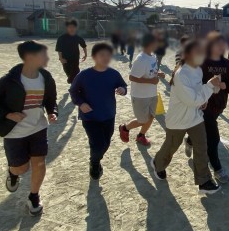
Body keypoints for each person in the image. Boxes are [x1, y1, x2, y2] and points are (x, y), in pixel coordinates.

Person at [0, 40, 58, 215]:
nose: (47, 58)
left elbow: (51, 100)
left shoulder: (46, 77)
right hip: (15, 132)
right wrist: (8, 114)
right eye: (43, 54)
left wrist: (52, 112)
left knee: (39, 163)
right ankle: (13, 173)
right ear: (30, 57)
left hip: (38, 127)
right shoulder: (9, 80)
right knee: (21, 168)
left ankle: (34, 196)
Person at [151, 39, 223, 194]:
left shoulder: (198, 70)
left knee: (202, 147)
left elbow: (197, 93)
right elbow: (192, 99)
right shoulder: (181, 74)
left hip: (195, 117)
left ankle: (204, 181)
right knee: (171, 146)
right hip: (178, 119)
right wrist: (210, 86)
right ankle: (157, 163)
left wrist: (203, 101)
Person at [184, 33, 229, 184]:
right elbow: (191, 80)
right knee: (213, 138)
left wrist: (225, 85)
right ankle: (217, 169)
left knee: (206, 129)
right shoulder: (201, 61)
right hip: (203, 105)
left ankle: (190, 140)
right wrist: (204, 88)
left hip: (219, 106)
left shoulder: (228, 65)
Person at [69, 43, 128, 180]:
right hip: (90, 117)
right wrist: (81, 103)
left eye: (108, 55)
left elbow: (123, 85)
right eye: (102, 55)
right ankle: (94, 164)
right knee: (97, 144)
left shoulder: (113, 74)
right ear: (94, 57)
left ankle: (96, 159)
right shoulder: (84, 75)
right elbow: (73, 91)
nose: (105, 58)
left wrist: (122, 90)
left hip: (108, 115)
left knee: (106, 143)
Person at [119, 33, 164, 146]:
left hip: (152, 93)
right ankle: (125, 128)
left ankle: (141, 136)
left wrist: (158, 74)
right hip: (140, 96)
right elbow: (132, 77)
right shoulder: (141, 59)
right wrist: (151, 81)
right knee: (142, 120)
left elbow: (150, 71)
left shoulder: (152, 56)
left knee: (151, 116)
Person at [55, 19, 87, 84]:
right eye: (70, 27)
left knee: (76, 74)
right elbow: (59, 49)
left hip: (75, 59)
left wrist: (85, 55)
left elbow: (84, 45)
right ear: (67, 28)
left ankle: (74, 85)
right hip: (66, 60)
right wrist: (61, 58)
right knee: (70, 74)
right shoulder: (62, 38)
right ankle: (72, 83)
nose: (72, 29)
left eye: (73, 27)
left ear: (75, 28)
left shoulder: (77, 37)